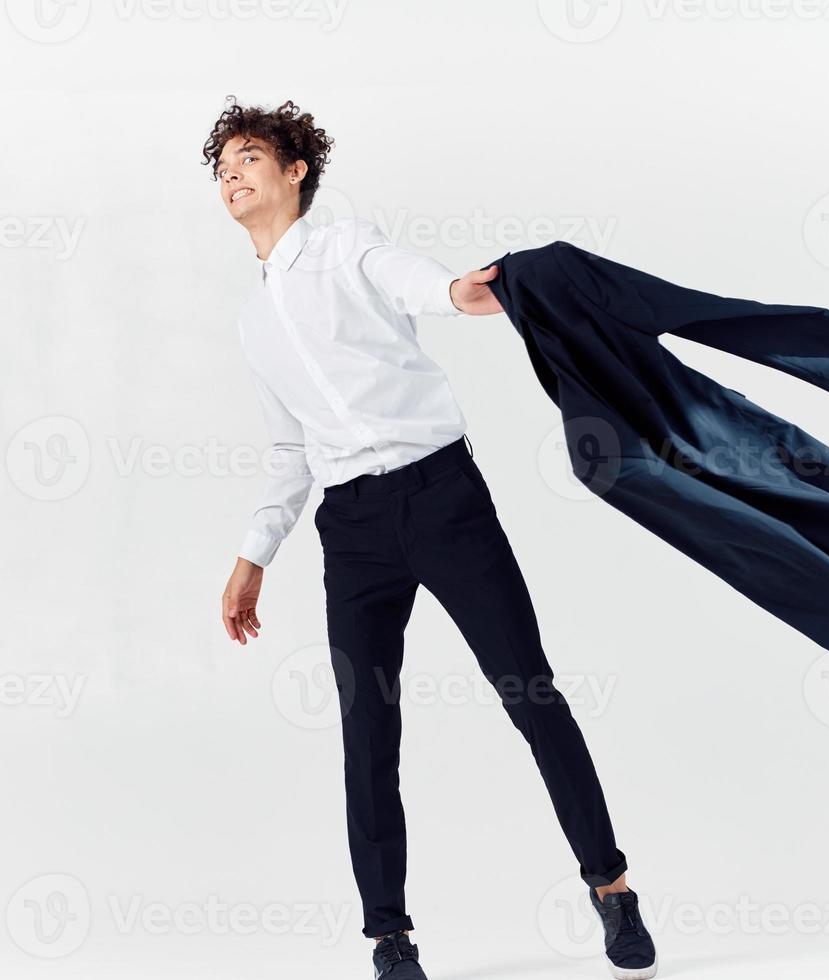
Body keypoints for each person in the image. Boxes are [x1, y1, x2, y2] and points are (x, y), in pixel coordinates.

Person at [205, 98, 657, 980]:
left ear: (296, 170)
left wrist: (460, 291)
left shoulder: (347, 246)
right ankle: (389, 938)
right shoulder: (253, 322)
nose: (232, 173)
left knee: (529, 690)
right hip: (353, 529)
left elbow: (422, 284)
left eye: (249, 156)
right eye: (221, 166)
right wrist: (253, 557)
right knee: (366, 728)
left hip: (442, 495)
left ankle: (612, 889)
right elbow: (289, 450)